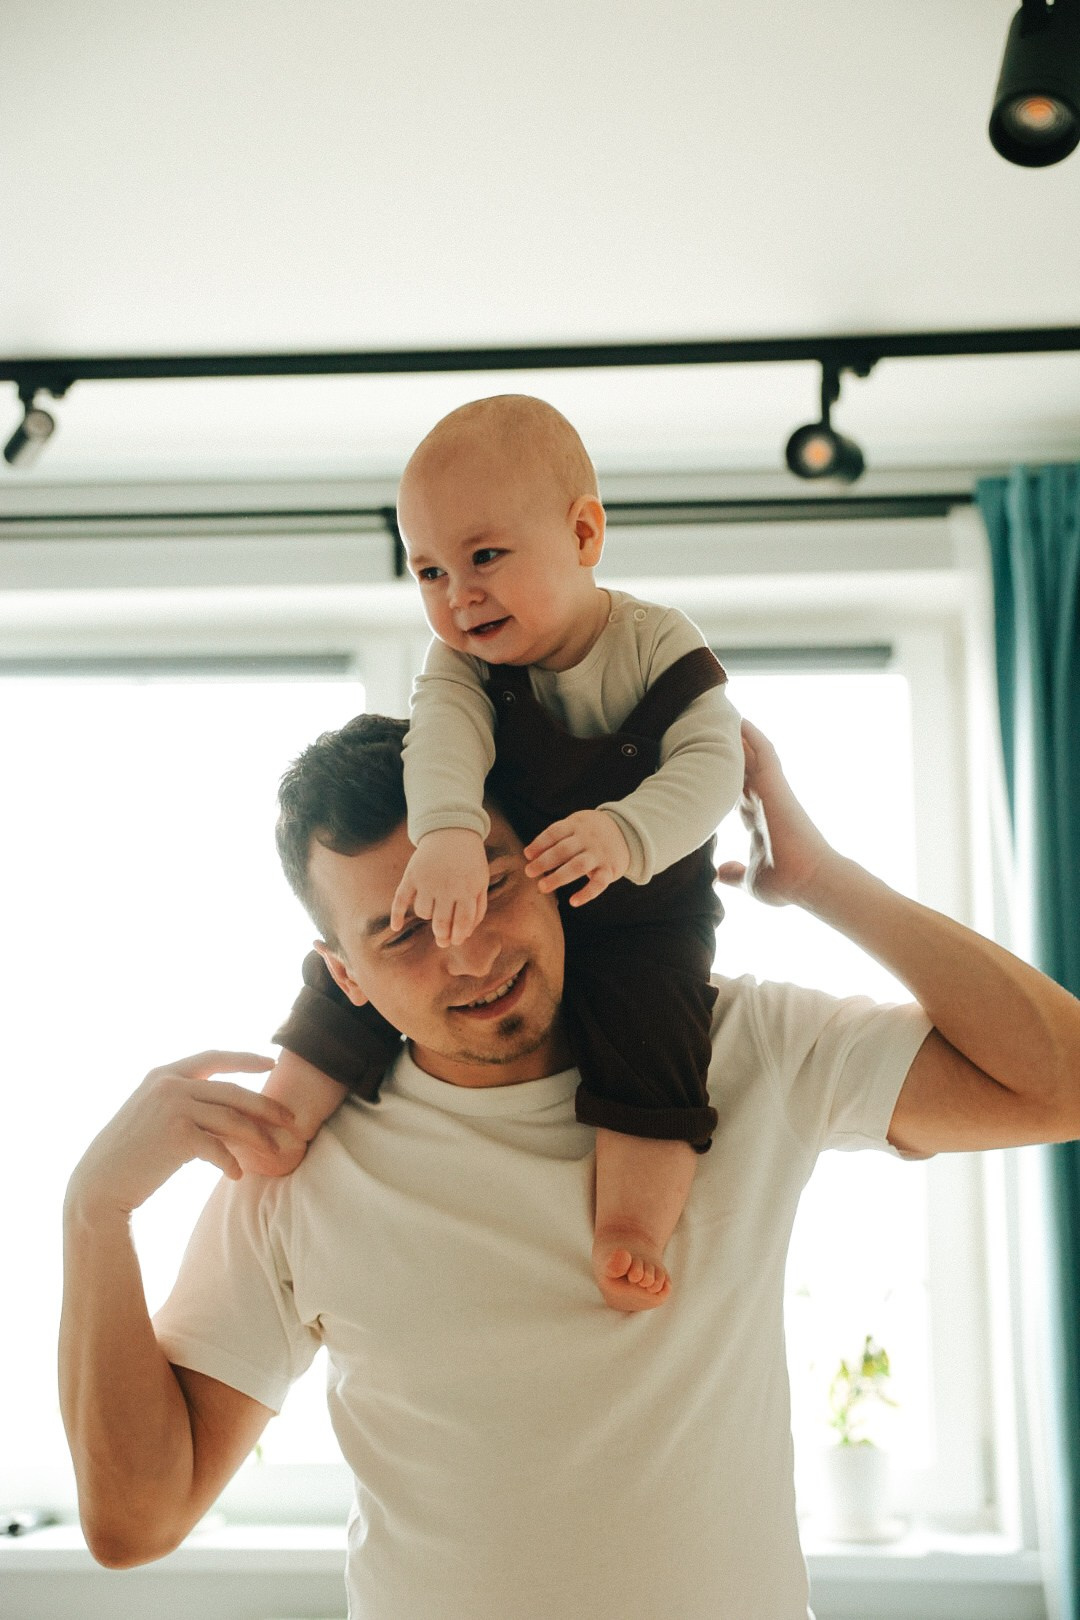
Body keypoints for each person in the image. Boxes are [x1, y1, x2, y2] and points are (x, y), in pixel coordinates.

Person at [60, 714, 1080, 1620]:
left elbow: (1061, 1083)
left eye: (488, 880)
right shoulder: (293, 1172)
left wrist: (818, 879)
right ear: (346, 978)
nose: (466, 951)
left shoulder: (742, 1045)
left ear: (546, 864)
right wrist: (95, 1214)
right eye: (403, 930)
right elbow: (135, 1521)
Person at [262, 394, 744, 1311]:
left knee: (656, 1036)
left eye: (484, 558)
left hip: (644, 902)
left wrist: (627, 833)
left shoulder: (657, 646)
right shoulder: (463, 668)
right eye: (431, 572)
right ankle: (284, 1112)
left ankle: (631, 1225)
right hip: (513, 881)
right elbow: (440, 740)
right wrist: (445, 834)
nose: (459, 596)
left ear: (584, 533)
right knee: (381, 959)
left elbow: (716, 765)